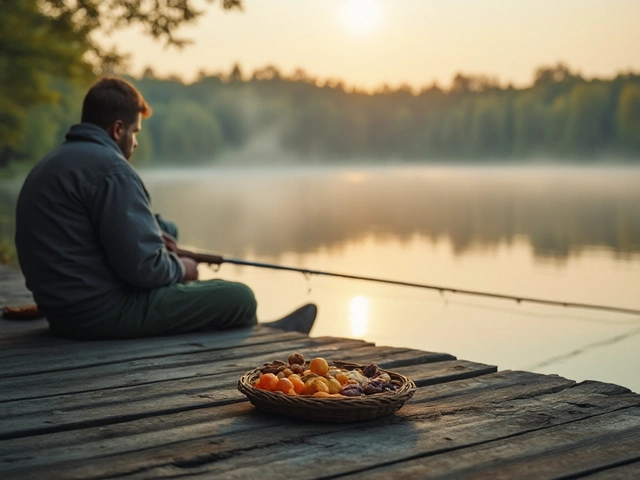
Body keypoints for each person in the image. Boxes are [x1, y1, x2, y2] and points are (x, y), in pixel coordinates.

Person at [14, 76, 316, 339]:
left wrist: (160, 235)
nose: (135, 143)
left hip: (63, 312)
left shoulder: (52, 163)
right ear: (118, 129)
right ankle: (265, 337)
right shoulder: (112, 170)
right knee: (239, 297)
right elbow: (145, 271)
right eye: (136, 132)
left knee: (171, 236)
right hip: (98, 315)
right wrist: (182, 268)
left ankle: (254, 330)